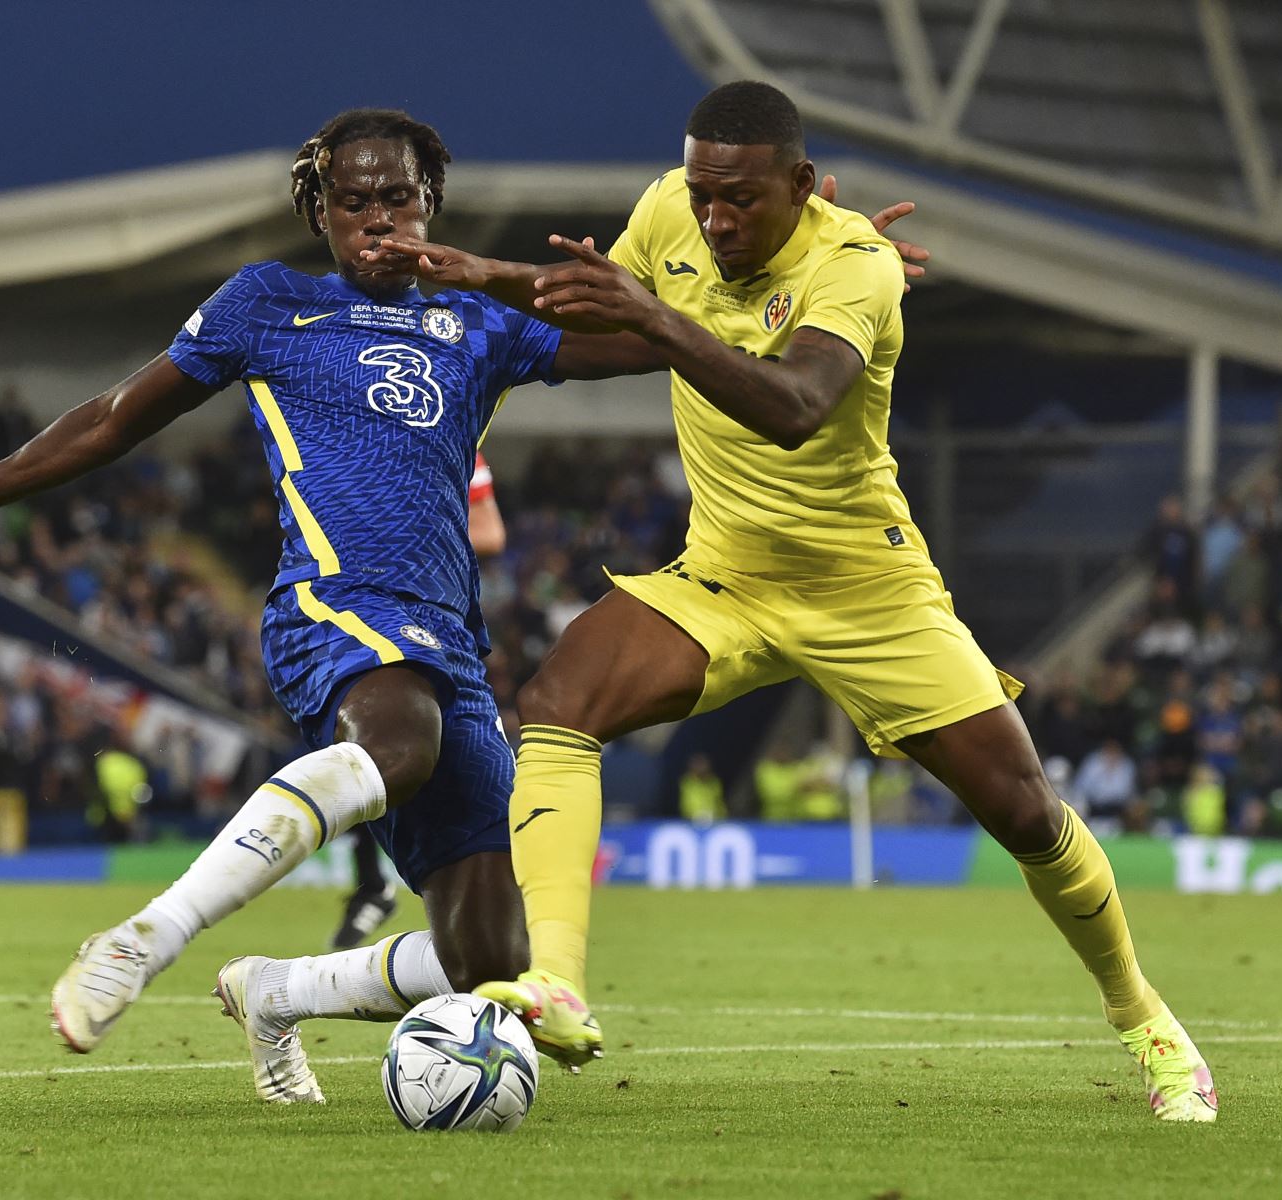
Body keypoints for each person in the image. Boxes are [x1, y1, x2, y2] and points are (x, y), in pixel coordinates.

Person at [0, 106, 929, 1105]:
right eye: (357, 204)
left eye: (401, 200)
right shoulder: (264, 305)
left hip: (445, 643)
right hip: (332, 607)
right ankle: (149, 934)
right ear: (318, 212)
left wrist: (817, 267)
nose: (381, 222)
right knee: (400, 746)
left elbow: (653, 334)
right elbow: (105, 421)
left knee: (491, 965)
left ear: (432, 206)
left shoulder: (479, 319)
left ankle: (278, 991)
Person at [380, 80, 1216, 1121]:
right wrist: (487, 283)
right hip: (725, 576)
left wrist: (651, 312)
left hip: (867, 589)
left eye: (739, 201)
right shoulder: (669, 216)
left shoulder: (856, 266)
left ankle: (1148, 1022)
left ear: (803, 186)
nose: (714, 220)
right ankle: (556, 984)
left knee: (1026, 813)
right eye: (702, 195)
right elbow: (605, 327)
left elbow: (795, 406)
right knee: (559, 701)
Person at [328, 451, 504, 951]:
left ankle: (473, 911)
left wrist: (409, 544)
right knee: (359, 747)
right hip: (362, 611)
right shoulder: (359, 434)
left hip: (436, 622)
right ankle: (373, 884)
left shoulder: (459, 441)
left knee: (436, 761)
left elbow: (490, 534)